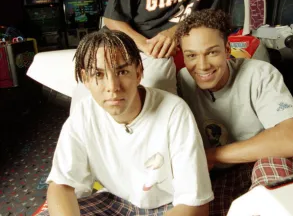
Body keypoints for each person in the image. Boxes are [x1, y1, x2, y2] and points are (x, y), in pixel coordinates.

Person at [39, 29, 214, 216]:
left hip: (169, 206)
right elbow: (61, 184)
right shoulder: (84, 113)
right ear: (85, 79)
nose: (113, 87)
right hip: (115, 201)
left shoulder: (174, 111)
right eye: (98, 75)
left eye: (122, 71)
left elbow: (195, 205)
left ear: (138, 72)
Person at [175, 9, 293, 216]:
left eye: (212, 52)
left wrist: (214, 155)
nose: (202, 65)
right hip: (219, 177)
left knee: (269, 169)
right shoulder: (180, 82)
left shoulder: (259, 74)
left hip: (261, 162)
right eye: (191, 56)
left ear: (227, 49)